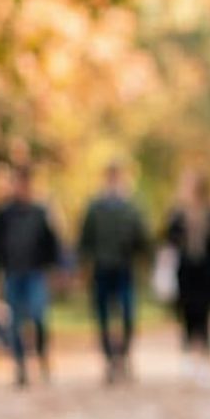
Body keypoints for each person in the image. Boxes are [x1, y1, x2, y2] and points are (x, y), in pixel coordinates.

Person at [0, 166, 62, 388]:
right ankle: (20, 366)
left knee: (37, 316)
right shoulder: (4, 215)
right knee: (15, 321)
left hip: (35, 272)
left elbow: (52, 243)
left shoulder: (40, 212)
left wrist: (54, 269)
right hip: (13, 272)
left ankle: (42, 358)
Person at [76, 163, 152, 383]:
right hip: (101, 268)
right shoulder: (95, 207)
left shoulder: (131, 208)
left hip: (124, 268)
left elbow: (143, 239)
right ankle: (109, 359)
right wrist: (84, 267)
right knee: (102, 316)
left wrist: (143, 257)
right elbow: (85, 239)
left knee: (127, 314)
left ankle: (124, 355)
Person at [164, 172, 210, 381]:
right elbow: (168, 242)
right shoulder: (177, 214)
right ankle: (189, 354)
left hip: (208, 274)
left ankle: (206, 358)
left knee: (206, 315)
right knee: (188, 314)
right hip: (187, 273)